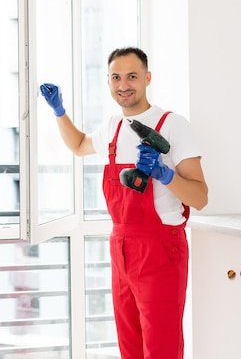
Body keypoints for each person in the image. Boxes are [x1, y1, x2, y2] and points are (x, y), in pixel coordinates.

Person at [40, 46, 208, 359]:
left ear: (147, 78)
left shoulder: (172, 125)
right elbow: (78, 145)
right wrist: (59, 112)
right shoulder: (112, 128)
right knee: (130, 346)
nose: (123, 84)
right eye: (116, 77)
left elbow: (200, 197)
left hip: (160, 250)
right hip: (122, 248)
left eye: (132, 76)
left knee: (162, 349)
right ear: (107, 82)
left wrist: (164, 174)